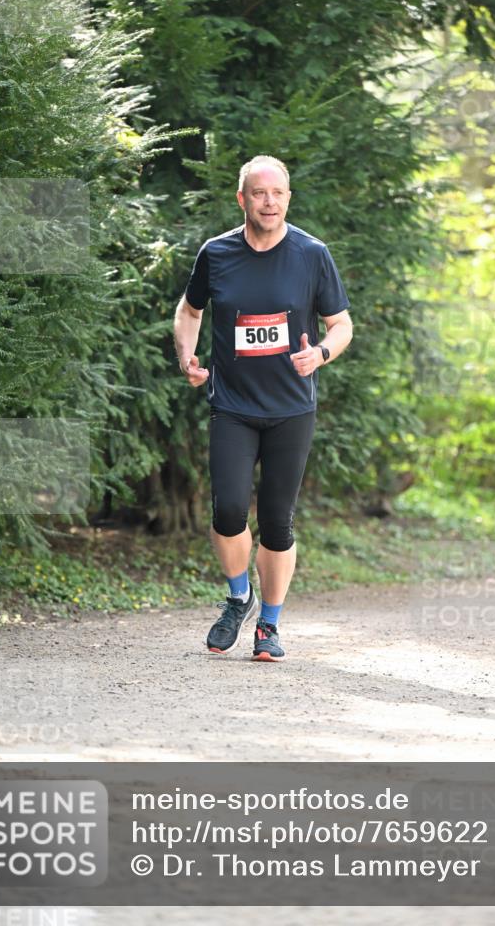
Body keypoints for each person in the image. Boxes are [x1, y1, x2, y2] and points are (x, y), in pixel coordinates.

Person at [173, 155, 352, 661]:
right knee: (228, 510)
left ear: (288, 199)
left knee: (277, 522)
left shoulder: (312, 254)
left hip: (291, 409)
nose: (268, 202)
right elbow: (190, 311)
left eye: (277, 193)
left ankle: (268, 625)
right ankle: (238, 597)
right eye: (258, 193)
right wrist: (187, 355)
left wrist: (320, 353)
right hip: (231, 405)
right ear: (242, 199)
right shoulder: (217, 253)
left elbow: (341, 325)